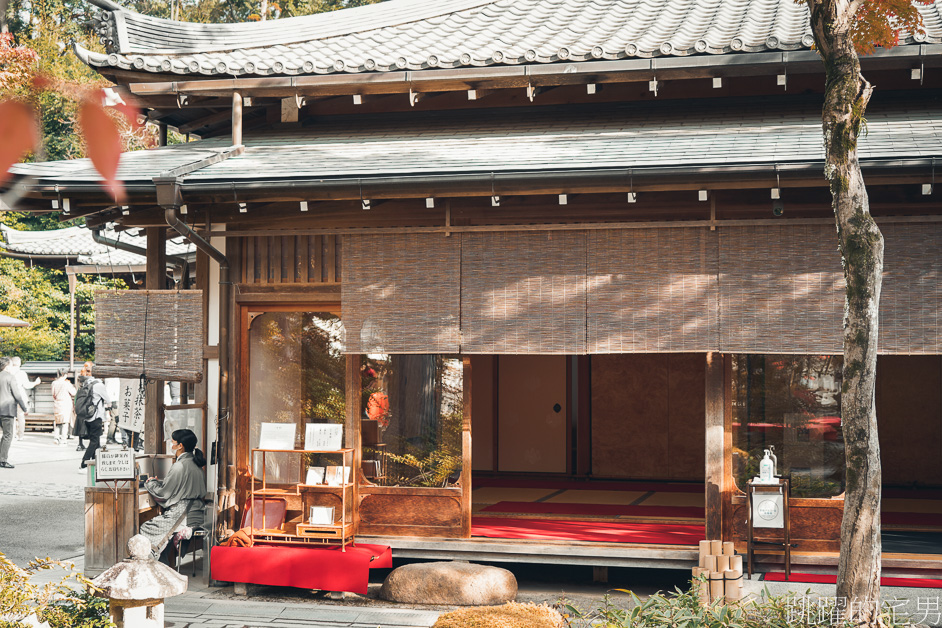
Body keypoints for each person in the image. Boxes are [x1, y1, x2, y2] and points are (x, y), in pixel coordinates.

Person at [140, 428, 206, 560]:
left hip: (183, 515)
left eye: (173, 442)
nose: (171, 445)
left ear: (180, 446)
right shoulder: (196, 462)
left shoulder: (179, 466)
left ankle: (155, 563)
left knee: (147, 527)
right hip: (198, 513)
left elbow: (164, 494)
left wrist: (151, 483)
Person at [77, 372, 112, 469]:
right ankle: (84, 462)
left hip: (87, 415)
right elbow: (108, 399)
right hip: (96, 416)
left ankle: (94, 461)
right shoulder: (99, 385)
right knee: (94, 440)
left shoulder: (87, 383)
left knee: (96, 440)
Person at [0, 357, 28, 469]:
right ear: (7, 366)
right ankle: (3, 460)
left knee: (4, 435)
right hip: (7, 410)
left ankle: (1, 457)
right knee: (8, 435)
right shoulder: (10, 377)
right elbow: (17, 394)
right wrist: (24, 407)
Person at [10, 357, 40, 440]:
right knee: (21, 418)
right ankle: (21, 435)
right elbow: (27, 385)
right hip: (20, 398)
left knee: (12, 418)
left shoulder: (8, 372)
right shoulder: (21, 373)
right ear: (19, 363)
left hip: (9, 398)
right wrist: (36, 383)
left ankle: (12, 435)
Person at [50, 368, 76, 446]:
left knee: (58, 422)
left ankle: (56, 437)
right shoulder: (66, 383)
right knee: (65, 422)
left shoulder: (54, 383)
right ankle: (63, 439)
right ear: (65, 374)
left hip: (57, 403)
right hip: (65, 404)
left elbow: (53, 394)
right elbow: (74, 392)